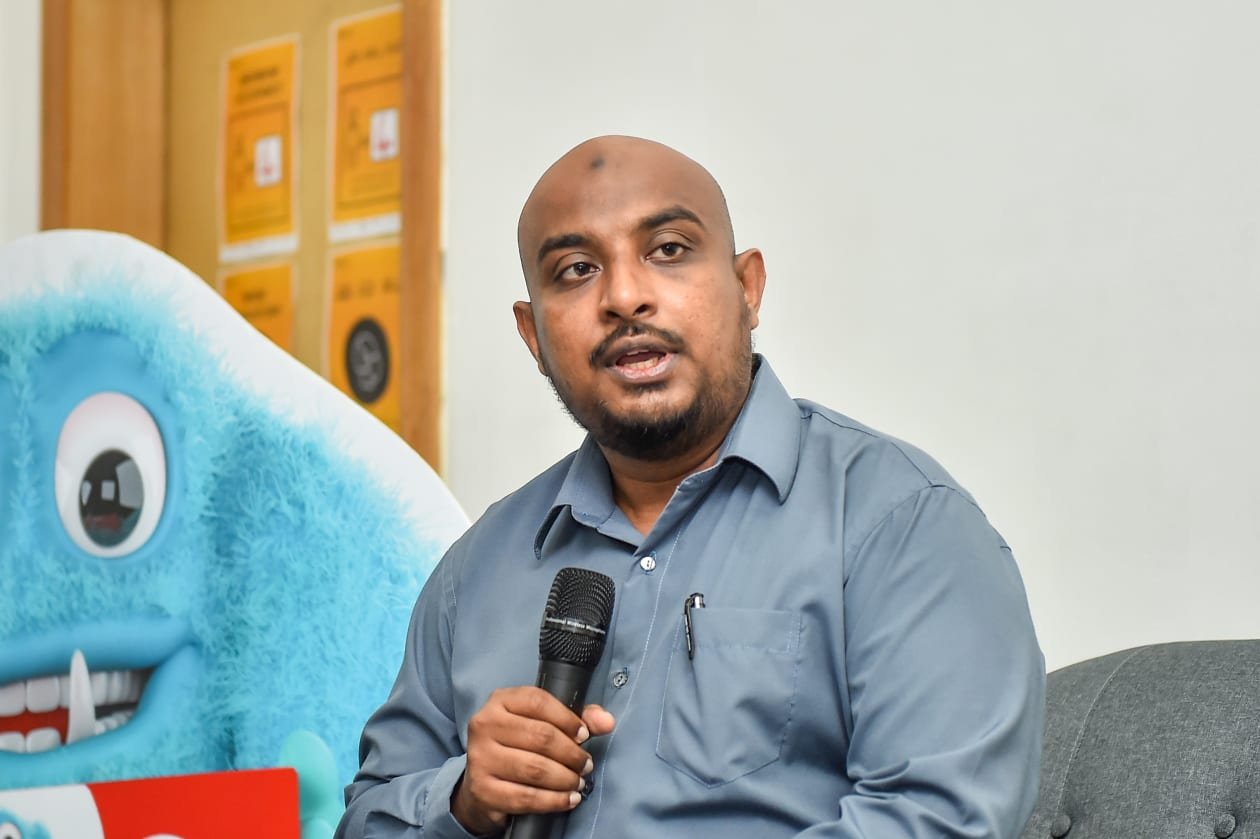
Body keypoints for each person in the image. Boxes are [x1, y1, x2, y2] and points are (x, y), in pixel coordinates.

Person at [336, 136, 1045, 838]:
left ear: (748, 288)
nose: (624, 297)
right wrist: (464, 800)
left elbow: (939, 818)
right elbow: (366, 817)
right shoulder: (476, 570)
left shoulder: (900, 522)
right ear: (533, 337)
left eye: (668, 249)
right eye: (577, 269)